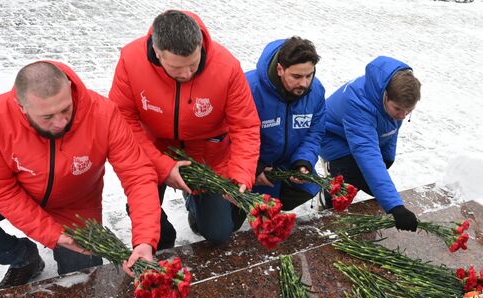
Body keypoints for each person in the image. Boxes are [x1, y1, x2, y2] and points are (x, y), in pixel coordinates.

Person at [0, 61, 161, 290]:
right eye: (47, 117)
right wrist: (53, 234)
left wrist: (144, 240)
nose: (61, 122)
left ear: (70, 88)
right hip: (14, 188)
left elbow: (137, 175)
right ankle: (24, 258)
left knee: (82, 280)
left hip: (74, 205)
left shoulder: (103, 113)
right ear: (21, 106)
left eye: (66, 109)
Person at [109, 10, 260, 247]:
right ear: (158, 53)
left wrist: (241, 173)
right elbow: (122, 119)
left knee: (219, 233)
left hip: (207, 154)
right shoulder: (131, 60)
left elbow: (245, 125)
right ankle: (165, 235)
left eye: (193, 64)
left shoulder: (226, 66)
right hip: (152, 150)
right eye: (176, 68)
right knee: (154, 235)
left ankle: (193, 200)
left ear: (200, 45)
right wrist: (162, 166)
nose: (187, 74)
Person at [320, 56, 421, 231]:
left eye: (408, 111)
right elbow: (366, 153)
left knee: (370, 177)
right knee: (349, 175)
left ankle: (344, 183)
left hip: (361, 136)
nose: (402, 116)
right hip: (332, 137)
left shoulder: (398, 99)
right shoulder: (359, 103)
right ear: (385, 94)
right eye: (398, 109)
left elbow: (390, 129)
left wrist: (388, 158)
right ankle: (326, 197)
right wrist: (395, 207)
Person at [245, 37, 325, 211]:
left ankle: (274, 200)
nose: (304, 83)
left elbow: (314, 133)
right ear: (280, 69)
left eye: (309, 75)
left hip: (284, 164)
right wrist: (253, 167)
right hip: (251, 164)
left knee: (307, 187)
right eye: (296, 76)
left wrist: (303, 162)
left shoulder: (316, 91)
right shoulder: (249, 88)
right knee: (224, 227)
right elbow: (230, 134)